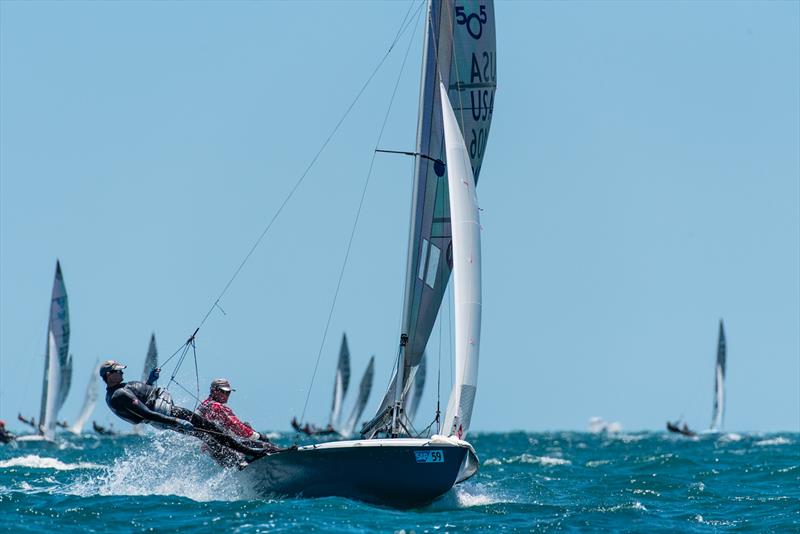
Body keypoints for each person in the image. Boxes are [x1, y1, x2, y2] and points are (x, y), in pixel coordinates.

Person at [100, 359, 269, 464]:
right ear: (109, 375)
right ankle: (249, 453)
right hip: (169, 414)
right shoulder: (118, 395)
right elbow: (146, 414)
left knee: (207, 435)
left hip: (166, 414)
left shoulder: (118, 391)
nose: (122, 372)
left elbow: (144, 401)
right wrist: (176, 421)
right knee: (211, 429)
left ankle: (236, 461)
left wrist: (150, 381)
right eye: (118, 371)